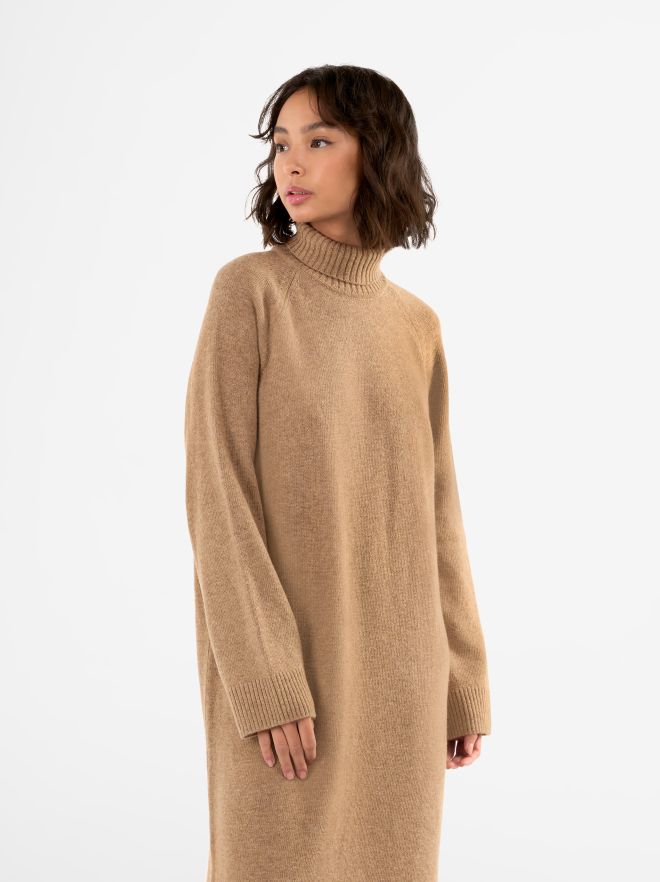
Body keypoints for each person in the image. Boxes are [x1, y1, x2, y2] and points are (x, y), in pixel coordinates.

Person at [184, 63, 492, 882]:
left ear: (376, 153)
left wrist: (463, 676)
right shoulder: (251, 294)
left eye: (318, 141)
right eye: (281, 144)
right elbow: (218, 495)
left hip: (403, 678)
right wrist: (266, 677)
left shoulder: (416, 326)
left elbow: (438, 510)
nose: (290, 163)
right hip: (287, 678)